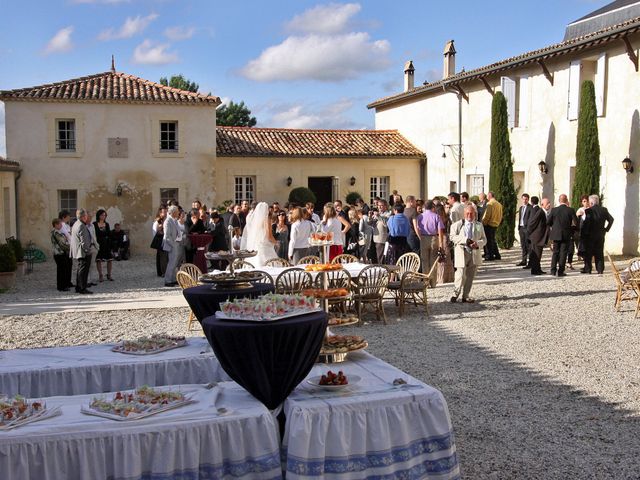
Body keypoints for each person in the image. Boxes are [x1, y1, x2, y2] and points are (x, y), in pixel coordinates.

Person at [450, 204, 486, 303]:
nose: (469, 215)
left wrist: (477, 244)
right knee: (460, 274)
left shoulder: (479, 225)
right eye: (468, 213)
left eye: (471, 213)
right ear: (464, 214)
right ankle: (455, 293)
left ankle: (465, 296)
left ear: (474, 214)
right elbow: (452, 237)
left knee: (470, 275)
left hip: (474, 253)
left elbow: (484, 239)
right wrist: (465, 240)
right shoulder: (457, 225)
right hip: (462, 251)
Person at [581, 194, 614, 274]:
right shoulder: (604, 210)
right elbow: (611, 219)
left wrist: (584, 232)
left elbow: (587, 223)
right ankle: (600, 269)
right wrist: (606, 229)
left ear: (591, 202)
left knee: (589, 252)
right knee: (599, 252)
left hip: (590, 235)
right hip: (600, 234)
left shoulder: (588, 211)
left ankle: (588, 269)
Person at [547, 194, 578, 277]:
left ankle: (553, 270)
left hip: (556, 234)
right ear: (566, 200)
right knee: (563, 253)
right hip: (566, 234)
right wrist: (572, 229)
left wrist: (554, 226)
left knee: (555, 252)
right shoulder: (570, 210)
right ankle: (561, 271)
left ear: (559, 200)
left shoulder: (554, 210)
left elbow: (548, 222)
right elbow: (576, 222)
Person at [416, 200, 445, 287]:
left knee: (424, 261)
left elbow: (417, 228)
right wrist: (441, 244)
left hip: (424, 238)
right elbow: (440, 231)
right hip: (433, 237)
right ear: (432, 207)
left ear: (424, 207)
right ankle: (433, 282)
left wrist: (420, 237)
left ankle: (426, 282)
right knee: (433, 261)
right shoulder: (436, 216)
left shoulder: (420, 216)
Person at [244, 202, 278, 266]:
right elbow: (269, 236)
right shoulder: (267, 220)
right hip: (266, 248)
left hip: (257, 247)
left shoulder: (255, 222)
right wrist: (276, 242)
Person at [70, 208, 93, 294]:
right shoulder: (81, 225)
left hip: (78, 251)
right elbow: (84, 241)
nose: (87, 217)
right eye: (86, 216)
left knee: (80, 269)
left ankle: (78, 286)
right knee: (84, 270)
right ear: (84, 216)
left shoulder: (76, 224)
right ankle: (82, 287)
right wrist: (88, 250)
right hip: (83, 251)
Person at [526, 197, 550, 275]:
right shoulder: (540, 212)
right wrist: (529, 233)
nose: (549, 205)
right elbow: (532, 223)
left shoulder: (545, 212)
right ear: (542, 204)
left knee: (538, 254)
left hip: (540, 237)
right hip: (537, 237)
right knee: (536, 254)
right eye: (547, 203)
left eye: (549, 203)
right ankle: (535, 270)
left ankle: (538, 269)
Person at [435, 203, 454, 284]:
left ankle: (440, 277)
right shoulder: (447, 218)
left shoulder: (437, 218)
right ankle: (449, 277)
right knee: (447, 258)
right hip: (446, 237)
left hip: (439, 237)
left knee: (440, 259)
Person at [162, 205, 182, 287]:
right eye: (177, 212)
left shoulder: (174, 220)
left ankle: (173, 279)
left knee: (175, 263)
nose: (178, 213)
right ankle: (167, 280)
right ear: (173, 212)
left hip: (176, 244)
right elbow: (167, 236)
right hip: (172, 245)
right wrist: (173, 245)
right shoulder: (167, 221)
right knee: (171, 263)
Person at [51, 218, 71, 291]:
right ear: (56, 224)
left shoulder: (58, 232)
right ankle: (61, 286)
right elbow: (62, 244)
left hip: (61, 253)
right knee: (61, 270)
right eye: (60, 224)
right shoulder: (56, 233)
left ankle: (63, 285)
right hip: (59, 253)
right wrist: (70, 247)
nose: (61, 226)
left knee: (63, 269)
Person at [93, 209, 113, 282]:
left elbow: (109, 234)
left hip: (106, 243)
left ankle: (109, 274)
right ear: (98, 215)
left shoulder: (107, 224)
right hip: (99, 244)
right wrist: (104, 234)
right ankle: (100, 275)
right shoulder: (94, 224)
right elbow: (96, 234)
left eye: (104, 215)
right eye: (102, 215)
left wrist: (104, 235)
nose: (103, 216)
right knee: (99, 260)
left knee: (110, 259)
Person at [482, 191, 503, 261]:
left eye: (487, 195)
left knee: (488, 241)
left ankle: (490, 255)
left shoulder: (490, 204)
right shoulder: (499, 204)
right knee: (493, 240)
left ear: (490, 195)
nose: (487, 197)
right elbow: (501, 215)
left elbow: (487, 215)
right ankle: (497, 254)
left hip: (489, 224)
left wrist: (483, 222)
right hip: (495, 224)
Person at [516, 194, 533, 267]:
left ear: (528, 199)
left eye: (526, 199)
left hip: (527, 228)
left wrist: (529, 228)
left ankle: (530, 262)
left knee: (528, 245)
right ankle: (524, 260)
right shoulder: (521, 208)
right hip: (521, 228)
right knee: (523, 245)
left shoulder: (530, 208)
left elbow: (531, 219)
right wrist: (519, 227)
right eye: (523, 199)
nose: (525, 200)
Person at [151, 206, 168, 277]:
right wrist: (160, 230)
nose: (165, 213)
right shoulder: (157, 222)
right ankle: (162, 272)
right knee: (162, 257)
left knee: (165, 257)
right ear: (160, 213)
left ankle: (163, 271)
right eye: (164, 212)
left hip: (166, 241)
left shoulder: (167, 220)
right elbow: (154, 233)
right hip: (161, 241)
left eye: (166, 211)